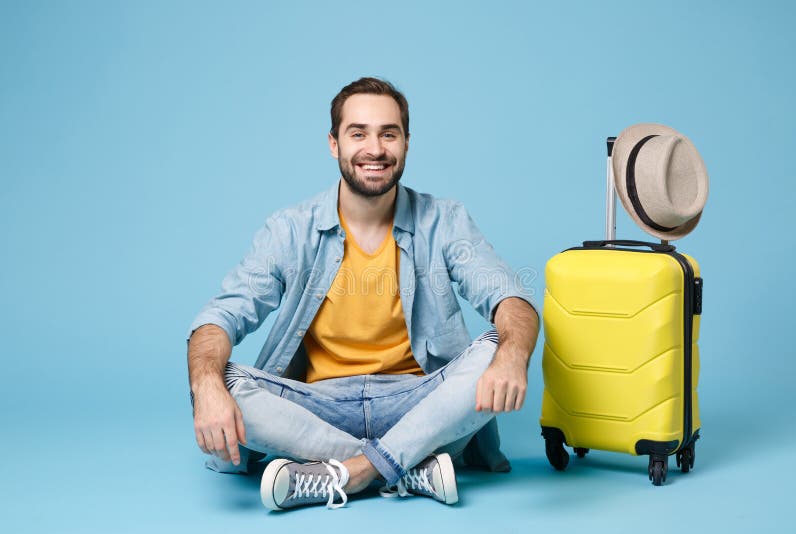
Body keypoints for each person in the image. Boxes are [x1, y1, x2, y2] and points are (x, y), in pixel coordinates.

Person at [186, 77, 539, 511]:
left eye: (388, 134)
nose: (375, 149)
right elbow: (221, 316)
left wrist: (511, 357)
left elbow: (512, 301)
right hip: (317, 407)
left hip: (418, 402)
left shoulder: (444, 221)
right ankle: (407, 466)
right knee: (214, 376)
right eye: (359, 133)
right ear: (334, 144)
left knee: (497, 347)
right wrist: (206, 388)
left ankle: (349, 473)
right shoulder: (290, 229)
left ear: (406, 143)